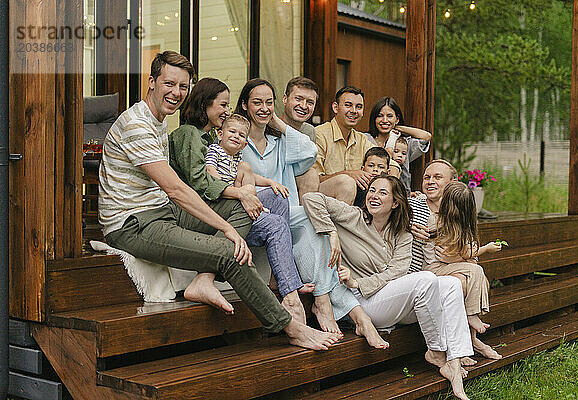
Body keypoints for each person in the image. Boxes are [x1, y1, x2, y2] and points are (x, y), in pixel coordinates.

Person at [99, 52, 340, 351]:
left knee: (251, 206)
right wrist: (225, 228)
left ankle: (204, 278)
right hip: (131, 223)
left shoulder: (159, 120)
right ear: (151, 82)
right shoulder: (136, 124)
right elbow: (176, 189)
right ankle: (291, 327)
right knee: (230, 252)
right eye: (169, 84)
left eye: (183, 86)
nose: (176, 93)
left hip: (163, 211)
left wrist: (240, 200)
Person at [237, 78, 389, 349]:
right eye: (257, 103)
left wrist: (277, 123)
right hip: (253, 212)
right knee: (313, 224)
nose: (263, 109)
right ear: (245, 105)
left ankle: (325, 301)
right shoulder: (236, 138)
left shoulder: (278, 140)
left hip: (286, 210)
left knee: (313, 223)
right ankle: (344, 309)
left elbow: (308, 151)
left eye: (268, 103)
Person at [302, 175, 473, 400]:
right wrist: (331, 232)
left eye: (383, 192)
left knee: (450, 284)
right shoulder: (353, 216)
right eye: (372, 190)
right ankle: (436, 351)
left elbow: (395, 273)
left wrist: (360, 281)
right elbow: (310, 197)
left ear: (395, 203)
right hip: (364, 303)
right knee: (425, 279)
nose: (374, 196)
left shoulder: (402, 235)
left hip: (392, 300)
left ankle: (454, 359)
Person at [201, 111, 314, 323]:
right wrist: (237, 193)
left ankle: (277, 277)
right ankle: (290, 290)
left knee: (278, 196)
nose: (235, 136)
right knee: (277, 223)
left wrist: (271, 183)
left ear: (245, 144)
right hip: (222, 204)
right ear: (220, 134)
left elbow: (251, 177)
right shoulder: (215, 151)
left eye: (241, 135)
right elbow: (211, 176)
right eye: (231, 132)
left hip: (238, 198)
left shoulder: (238, 159)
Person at [422, 181, 503, 362]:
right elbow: (462, 255)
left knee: (478, 277)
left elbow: (463, 255)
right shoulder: (437, 221)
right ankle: (471, 319)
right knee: (475, 271)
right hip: (435, 270)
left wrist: (465, 257)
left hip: (450, 267)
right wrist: (486, 249)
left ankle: (471, 340)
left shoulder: (462, 225)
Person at [368, 96, 431, 190]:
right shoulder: (366, 139)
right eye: (380, 116)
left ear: (397, 119)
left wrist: (398, 127)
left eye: (389, 116)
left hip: (399, 195)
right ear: (374, 119)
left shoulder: (403, 143)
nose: (384, 120)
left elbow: (426, 137)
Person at [280, 76, 321, 201]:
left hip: (301, 184)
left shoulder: (309, 131)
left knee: (345, 183)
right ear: (285, 99)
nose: (303, 106)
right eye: (298, 99)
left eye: (310, 102)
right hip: (274, 184)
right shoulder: (270, 127)